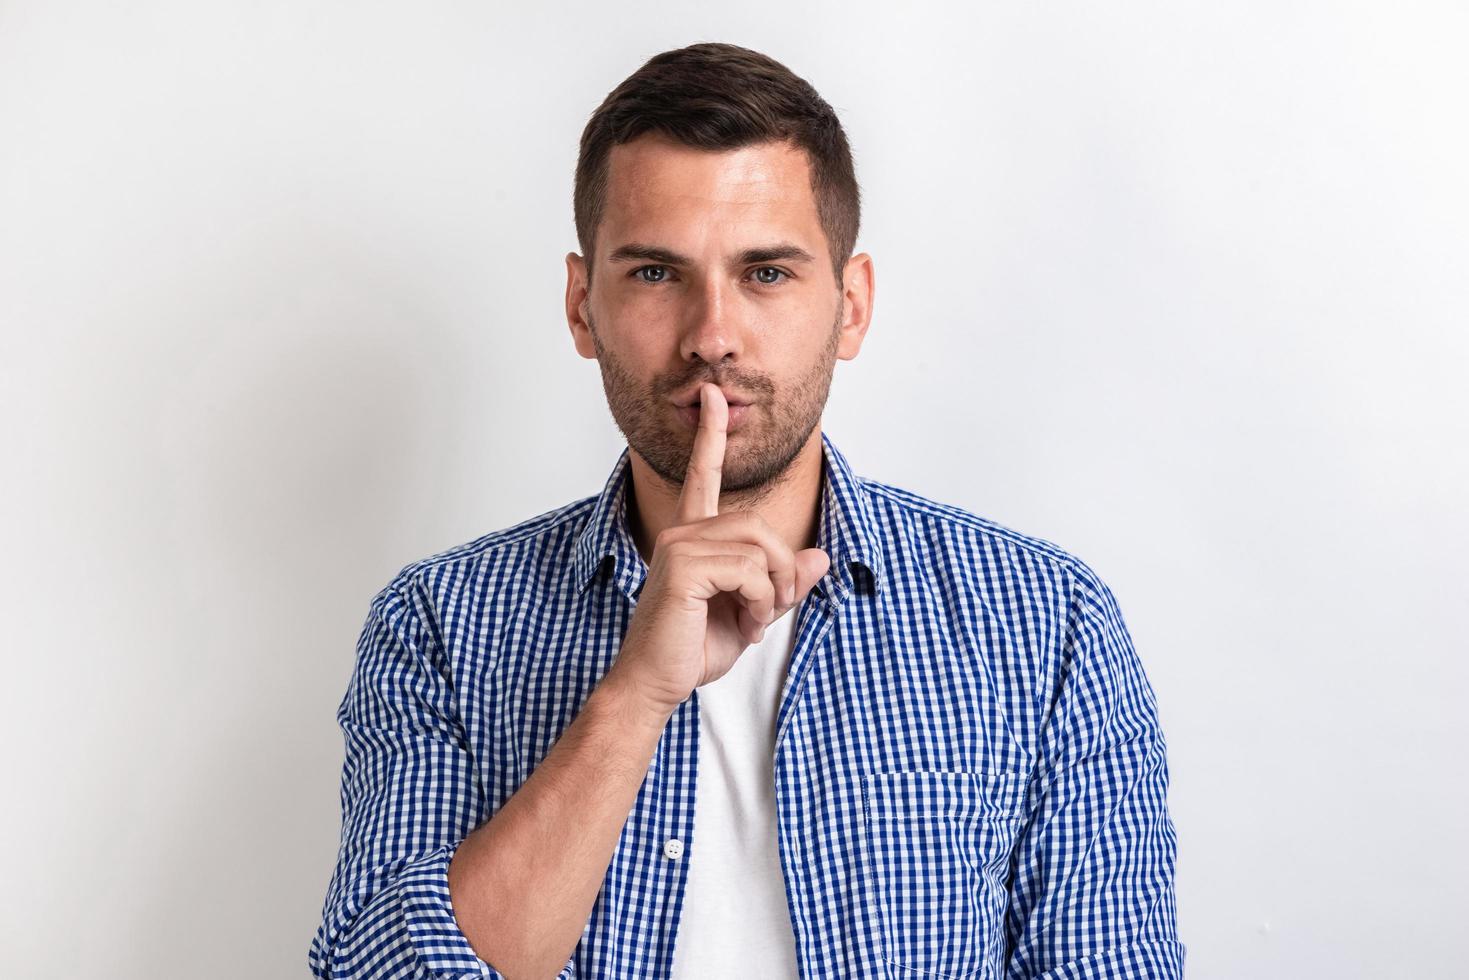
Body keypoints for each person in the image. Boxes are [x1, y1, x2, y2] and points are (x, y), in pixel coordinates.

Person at [308, 41, 1184, 980]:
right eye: (654, 273)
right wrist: (635, 694)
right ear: (579, 306)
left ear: (849, 308)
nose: (712, 337)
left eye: (766, 273)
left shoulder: (1043, 625)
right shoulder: (442, 623)